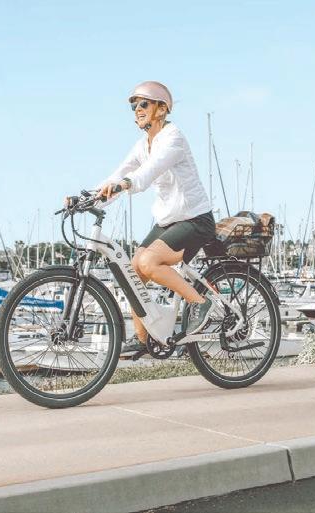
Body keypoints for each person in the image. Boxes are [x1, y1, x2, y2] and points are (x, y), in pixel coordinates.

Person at [97, 81, 217, 352]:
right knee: (133, 271)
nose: (137, 110)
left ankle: (201, 303)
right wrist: (91, 196)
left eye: (143, 104)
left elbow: (148, 171)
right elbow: (120, 172)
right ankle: (143, 339)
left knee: (149, 262)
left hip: (195, 219)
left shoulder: (173, 138)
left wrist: (127, 184)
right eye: (133, 106)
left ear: (162, 109)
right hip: (167, 221)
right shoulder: (143, 145)